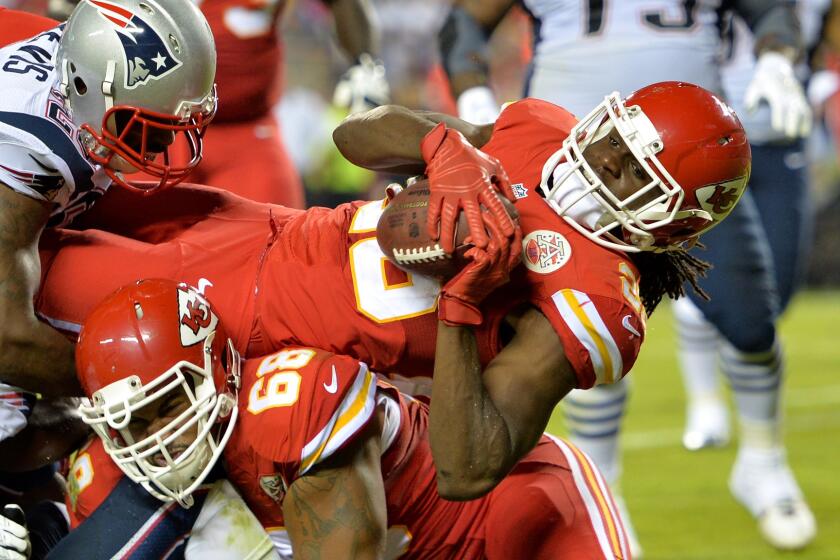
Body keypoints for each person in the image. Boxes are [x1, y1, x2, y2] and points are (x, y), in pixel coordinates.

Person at [35, 81, 749, 497]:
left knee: (30, 295)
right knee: (46, 197)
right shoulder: (537, 131)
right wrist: (450, 147)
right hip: (263, 227)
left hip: (259, 318)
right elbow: (358, 137)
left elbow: (468, 468)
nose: (598, 158)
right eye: (611, 136)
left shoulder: (594, 300)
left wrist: (462, 304)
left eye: (628, 170)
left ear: (671, 218)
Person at [436, 0, 816, 552]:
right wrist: (472, 93)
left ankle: (764, 462)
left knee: (751, 321)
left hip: (686, 172)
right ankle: (602, 485)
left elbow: (772, 13)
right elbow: (464, 20)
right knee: (568, 331)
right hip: (573, 161)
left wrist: (777, 60)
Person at [56, 278, 631, 559]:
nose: (159, 437)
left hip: (522, 521)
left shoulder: (289, 411)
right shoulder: (104, 475)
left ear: (220, 369)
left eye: (171, 404)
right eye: (132, 420)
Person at [0, 0, 215, 447]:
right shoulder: (22, 143)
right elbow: (7, 339)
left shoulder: (88, 61)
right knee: (20, 427)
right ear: (84, 87)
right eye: (150, 128)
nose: (162, 147)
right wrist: (137, 385)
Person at [46, 0, 390, 207]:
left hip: (246, 130)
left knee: (278, 240)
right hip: (151, 129)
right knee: (130, 239)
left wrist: (365, 64)